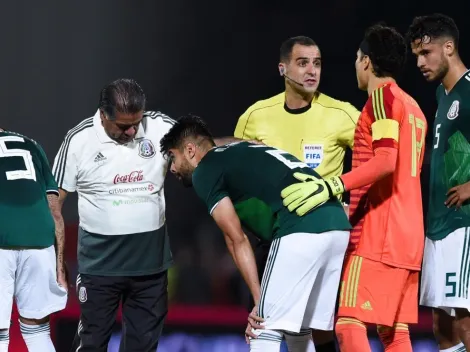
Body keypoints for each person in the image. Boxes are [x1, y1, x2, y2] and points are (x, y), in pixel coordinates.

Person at [281, 24, 427, 351]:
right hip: (410, 235)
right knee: (394, 332)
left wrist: (332, 186)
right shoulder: (414, 107)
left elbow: (386, 160)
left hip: (379, 235)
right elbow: (401, 172)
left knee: (348, 324)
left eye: (356, 58)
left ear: (366, 61)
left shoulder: (382, 98)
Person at [160, 115, 351, 352]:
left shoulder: (205, 170)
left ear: (189, 150)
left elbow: (235, 238)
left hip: (300, 228)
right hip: (337, 224)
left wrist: (259, 300)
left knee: (262, 328)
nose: (173, 169)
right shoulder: (246, 146)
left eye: (173, 157)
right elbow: (228, 142)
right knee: (301, 331)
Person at [232, 35, 360, 351]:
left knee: (315, 327)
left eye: (317, 63)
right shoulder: (255, 117)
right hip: (273, 237)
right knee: (278, 326)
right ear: (282, 68)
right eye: (302, 63)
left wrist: (350, 201)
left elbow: (378, 159)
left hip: (319, 236)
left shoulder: (341, 114)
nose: (311, 71)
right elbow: (237, 174)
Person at [53, 79, 174, 351]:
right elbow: (52, 205)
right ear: (103, 114)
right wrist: (57, 259)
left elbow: (198, 149)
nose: (132, 131)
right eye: (123, 126)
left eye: (137, 122)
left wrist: (238, 147)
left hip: (150, 268)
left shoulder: (161, 127)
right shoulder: (79, 140)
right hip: (99, 268)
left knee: (142, 346)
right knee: (92, 343)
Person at [407, 13, 470, 352]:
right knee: (442, 326)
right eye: (416, 54)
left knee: (465, 318)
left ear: (449, 48)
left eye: (426, 53)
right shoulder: (442, 97)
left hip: (465, 223)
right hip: (438, 225)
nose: (419, 62)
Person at [0, 128, 68, 352]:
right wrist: (59, 266)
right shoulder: (32, 145)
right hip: (40, 243)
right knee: (37, 332)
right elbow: (55, 211)